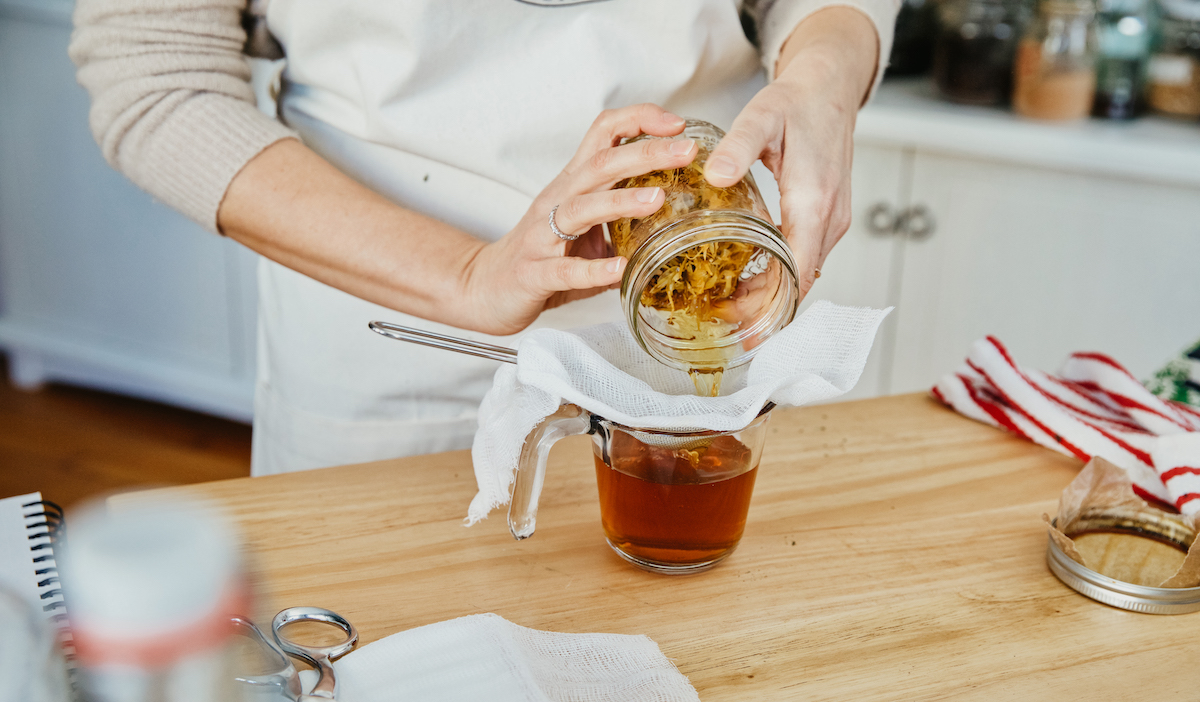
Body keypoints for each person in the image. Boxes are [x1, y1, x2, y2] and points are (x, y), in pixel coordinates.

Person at [70, 0, 898, 475]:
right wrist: (468, 273)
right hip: (392, 335)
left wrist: (824, 72)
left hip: (692, 318)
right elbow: (156, 79)